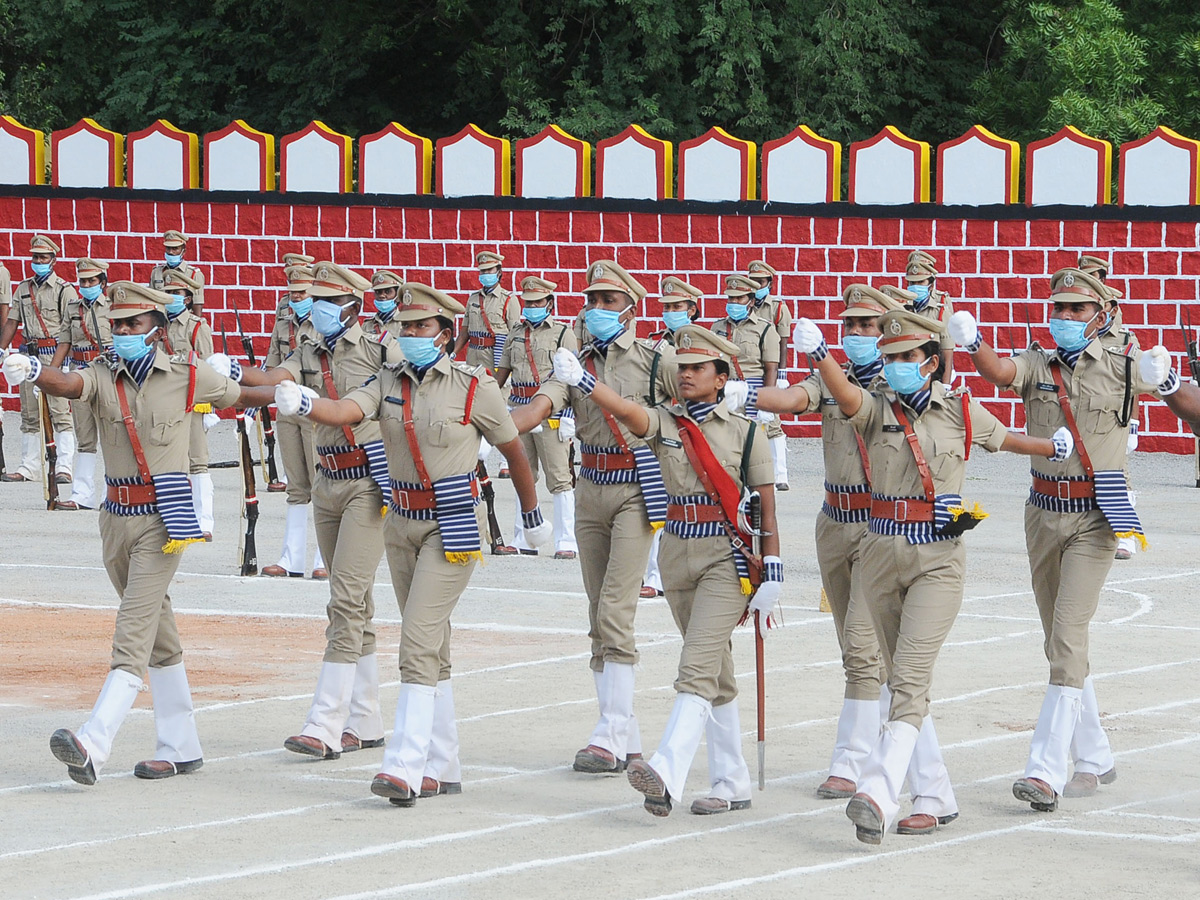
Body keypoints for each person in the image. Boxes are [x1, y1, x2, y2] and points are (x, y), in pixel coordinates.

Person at [791, 308, 1074, 844]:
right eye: (890, 356)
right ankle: (935, 795)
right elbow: (846, 399)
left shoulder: (959, 409)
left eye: (905, 357)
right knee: (900, 680)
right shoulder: (874, 407)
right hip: (878, 550)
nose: (894, 364)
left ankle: (876, 790)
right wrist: (819, 356)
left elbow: (1006, 439)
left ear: (930, 363)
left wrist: (1053, 446)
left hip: (937, 559)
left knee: (911, 675)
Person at [273, 282, 550, 805]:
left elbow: (513, 449)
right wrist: (308, 402)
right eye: (406, 328)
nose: (411, 336)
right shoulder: (389, 381)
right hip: (401, 521)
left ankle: (405, 762)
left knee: (417, 643)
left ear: (446, 334)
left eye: (422, 328)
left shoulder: (475, 386)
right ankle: (443, 765)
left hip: (451, 524)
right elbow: (350, 411)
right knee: (433, 651)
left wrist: (531, 514)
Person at [948, 267, 1186, 812]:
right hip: (1043, 511)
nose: (1064, 319)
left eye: (1076, 310)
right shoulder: (1040, 362)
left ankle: (1045, 770)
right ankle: (1095, 755)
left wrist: (1168, 378)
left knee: (1068, 631)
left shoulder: (1125, 364)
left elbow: (1177, 402)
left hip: (1096, 517)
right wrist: (975, 343)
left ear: (1101, 314)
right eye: (1058, 309)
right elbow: (1000, 372)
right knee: (1059, 637)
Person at [2, 282, 245, 784]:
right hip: (115, 515)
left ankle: (95, 740)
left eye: (133, 325)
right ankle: (181, 746)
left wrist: (295, 397)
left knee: (132, 628)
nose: (123, 333)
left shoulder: (187, 376)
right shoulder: (102, 373)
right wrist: (33, 372)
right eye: (117, 325)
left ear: (156, 330)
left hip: (164, 518)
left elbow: (246, 393)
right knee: (157, 628)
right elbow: (70, 385)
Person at [551, 325, 778, 817]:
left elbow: (766, 508)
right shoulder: (667, 422)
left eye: (698, 368)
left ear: (722, 378)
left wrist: (773, 568)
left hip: (727, 557)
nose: (686, 375)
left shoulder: (747, 432)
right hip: (678, 551)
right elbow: (632, 414)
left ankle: (667, 771)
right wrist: (590, 387)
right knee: (716, 670)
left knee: (695, 667)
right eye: (682, 367)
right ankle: (731, 781)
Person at [511, 259, 676, 774]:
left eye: (608, 301)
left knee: (615, 609)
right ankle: (623, 732)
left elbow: (691, 405)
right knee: (594, 614)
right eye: (592, 300)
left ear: (631, 307)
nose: (596, 309)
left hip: (636, 488)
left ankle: (608, 732)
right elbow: (539, 406)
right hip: (591, 486)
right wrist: (485, 426)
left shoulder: (656, 360)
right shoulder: (573, 361)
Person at [757, 285, 918, 806]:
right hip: (834, 520)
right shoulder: (833, 378)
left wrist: (824, 358)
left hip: (879, 524)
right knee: (862, 649)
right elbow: (796, 399)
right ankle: (896, 740)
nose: (856, 335)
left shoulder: (901, 383)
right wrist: (737, 394)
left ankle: (852, 761)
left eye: (867, 327)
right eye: (849, 326)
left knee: (860, 647)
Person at [228, 261, 394, 760]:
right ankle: (365, 719)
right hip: (328, 479)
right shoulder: (308, 349)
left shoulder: (382, 350)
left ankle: (324, 723)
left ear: (350, 305)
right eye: (313, 301)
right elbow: (274, 379)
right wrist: (230, 375)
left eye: (325, 301)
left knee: (344, 597)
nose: (316, 310)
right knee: (354, 602)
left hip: (369, 478)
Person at [495, 276, 580, 558]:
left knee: (559, 477)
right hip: (518, 409)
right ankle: (524, 537)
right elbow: (502, 372)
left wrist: (569, 414)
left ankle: (565, 539)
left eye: (537, 302)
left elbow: (571, 376)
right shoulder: (515, 333)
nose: (531, 307)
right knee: (524, 475)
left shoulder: (562, 333)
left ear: (549, 303)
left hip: (550, 412)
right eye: (528, 302)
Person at [262, 261, 327, 579]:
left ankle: (324, 558)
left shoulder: (324, 324)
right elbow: (272, 364)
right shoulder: (283, 324)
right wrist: (254, 397)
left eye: (302, 292)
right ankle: (292, 558)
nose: (296, 298)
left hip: (316, 409)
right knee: (296, 484)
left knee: (323, 483)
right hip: (288, 409)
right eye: (292, 293)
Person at [641, 277, 703, 599]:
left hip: (696, 430)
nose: (670, 312)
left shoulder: (707, 343)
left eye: (677, 307)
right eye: (666, 307)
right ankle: (656, 573)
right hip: (664, 431)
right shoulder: (655, 345)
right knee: (659, 503)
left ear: (692, 309)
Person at [0, 235, 78, 485]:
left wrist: (64, 362)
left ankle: (64, 466)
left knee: (59, 411)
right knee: (29, 413)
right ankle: (29, 466)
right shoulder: (24, 289)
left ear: (53, 260)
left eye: (43, 257)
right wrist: (1, 349)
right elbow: (12, 321)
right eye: (35, 257)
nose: (38, 261)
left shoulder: (64, 290)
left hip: (53, 353)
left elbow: (71, 326)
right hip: (28, 354)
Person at [1079, 253, 1141, 561]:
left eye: (1096, 277)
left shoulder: (1122, 334)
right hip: (1079, 411)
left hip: (1113, 413)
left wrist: (1134, 423)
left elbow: (1134, 381)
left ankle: (1125, 534)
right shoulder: (1075, 325)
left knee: (1118, 472)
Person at [161, 269, 216, 539]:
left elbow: (208, 366)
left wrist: (208, 405)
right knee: (170, 461)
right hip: (165, 401)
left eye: (176, 293)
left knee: (197, 461)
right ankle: (176, 520)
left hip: (192, 401)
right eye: (167, 292)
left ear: (186, 298)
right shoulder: (157, 325)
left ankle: (203, 521)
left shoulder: (197, 326)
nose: (170, 297)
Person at [61, 257, 114, 510]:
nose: (86, 285)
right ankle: (82, 493)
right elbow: (64, 342)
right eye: (82, 281)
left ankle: (111, 494)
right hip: (80, 371)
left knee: (112, 435)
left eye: (91, 280)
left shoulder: (112, 307)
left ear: (102, 282)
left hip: (106, 372)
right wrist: (49, 375)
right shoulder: (73, 307)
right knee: (84, 435)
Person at [745, 260, 792, 490]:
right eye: (753, 280)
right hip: (753, 366)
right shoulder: (746, 302)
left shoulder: (778, 308)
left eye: (760, 281)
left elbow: (783, 342)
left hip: (772, 366)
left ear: (769, 283)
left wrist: (782, 374)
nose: (756, 285)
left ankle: (780, 474)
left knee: (772, 421)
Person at [452, 250, 519, 374]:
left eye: (489, 270)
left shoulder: (509, 299)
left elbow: (514, 336)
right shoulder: (473, 298)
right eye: (483, 271)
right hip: (473, 354)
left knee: (496, 391)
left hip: (495, 355)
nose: (486, 274)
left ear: (499, 272)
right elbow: (464, 332)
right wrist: (452, 354)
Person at [901, 250, 956, 380]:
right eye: (912, 283)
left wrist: (945, 386)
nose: (915, 286)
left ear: (930, 285)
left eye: (921, 282)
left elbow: (947, 353)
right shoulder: (902, 306)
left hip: (932, 374)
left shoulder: (940, 309)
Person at [149, 230, 206, 316]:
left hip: (183, 322)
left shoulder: (194, 274)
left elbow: (197, 305)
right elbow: (151, 301)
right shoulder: (157, 272)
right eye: (168, 248)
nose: (171, 252)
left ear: (183, 251)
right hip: (162, 320)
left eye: (175, 248)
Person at [363, 270, 404, 341]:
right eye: (378, 292)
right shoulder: (367, 325)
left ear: (397, 295)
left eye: (387, 291)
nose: (382, 295)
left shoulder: (404, 324)